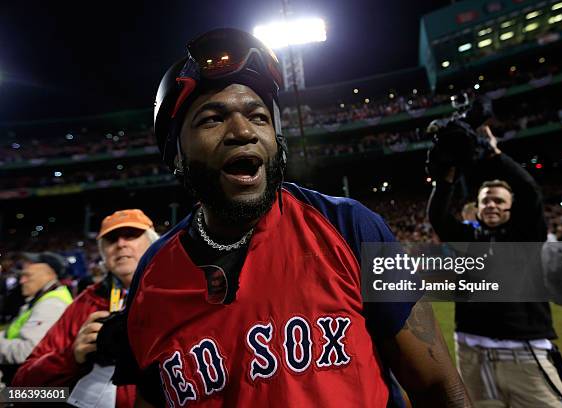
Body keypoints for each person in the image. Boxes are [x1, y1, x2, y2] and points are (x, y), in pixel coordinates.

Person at [103, 28, 470, 407]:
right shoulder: (152, 277)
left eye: (259, 116)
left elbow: (438, 386)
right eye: (212, 119)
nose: (243, 131)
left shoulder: (349, 226)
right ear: (176, 155)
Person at [427, 126, 562, 407]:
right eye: (485, 201)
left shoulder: (527, 236)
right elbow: (438, 216)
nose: (491, 205)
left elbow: (530, 192)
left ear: (510, 207)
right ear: (477, 208)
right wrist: (445, 180)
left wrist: (495, 154)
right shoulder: (468, 238)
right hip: (472, 352)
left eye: (499, 200)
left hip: (524, 353)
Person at [13, 209, 159, 408]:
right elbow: (22, 390)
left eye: (131, 235)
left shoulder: (178, 293)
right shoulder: (86, 302)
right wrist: (71, 357)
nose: (121, 244)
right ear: (103, 254)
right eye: (111, 239)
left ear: (153, 243)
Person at [0, 252, 72, 384]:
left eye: (27, 275)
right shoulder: (44, 298)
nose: (22, 281)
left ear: (49, 275)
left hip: (36, 390)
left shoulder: (52, 304)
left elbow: (27, 351)